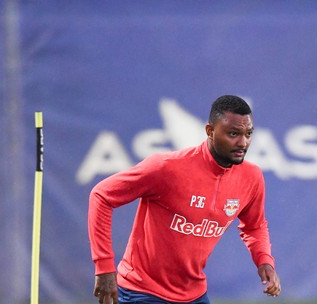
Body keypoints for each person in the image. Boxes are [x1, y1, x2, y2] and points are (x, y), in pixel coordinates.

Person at [88, 95, 281, 304]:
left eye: (248, 134)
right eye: (233, 134)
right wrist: (104, 267)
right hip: (141, 292)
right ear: (210, 131)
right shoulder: (166, 167)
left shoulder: (251, 177)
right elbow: (101, 196)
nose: (243, 142)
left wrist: (264, 261)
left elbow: (254, 226)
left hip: (194, 295)